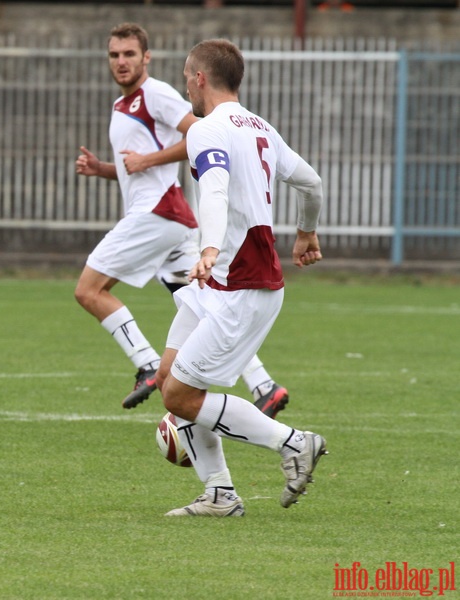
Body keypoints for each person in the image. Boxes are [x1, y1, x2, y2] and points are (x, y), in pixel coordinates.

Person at [74, 22, 289, 418]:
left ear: (146, 57)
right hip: (168, 219)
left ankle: (146, 362)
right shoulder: (122, 106)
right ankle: (264, 385)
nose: (121, 62)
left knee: (89, 290)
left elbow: (198, 134)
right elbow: (136, 168)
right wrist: (104, 169)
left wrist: (146, 160)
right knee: (204, 309)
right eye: (114, 55)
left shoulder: (154, 93)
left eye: (129, 54)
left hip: (158, 213)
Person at [158, 38, 327, 517]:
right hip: (218, 285)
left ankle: (293, 442)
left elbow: (212, 188)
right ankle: (220, 494)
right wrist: (306, 233)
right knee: (171, 379)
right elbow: (311, 183)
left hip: (240, 285)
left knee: (179, 395)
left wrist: (209, 246)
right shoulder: (262, 128)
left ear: (198, 79)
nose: (186, 84)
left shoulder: (207, 129)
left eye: (186, 76)